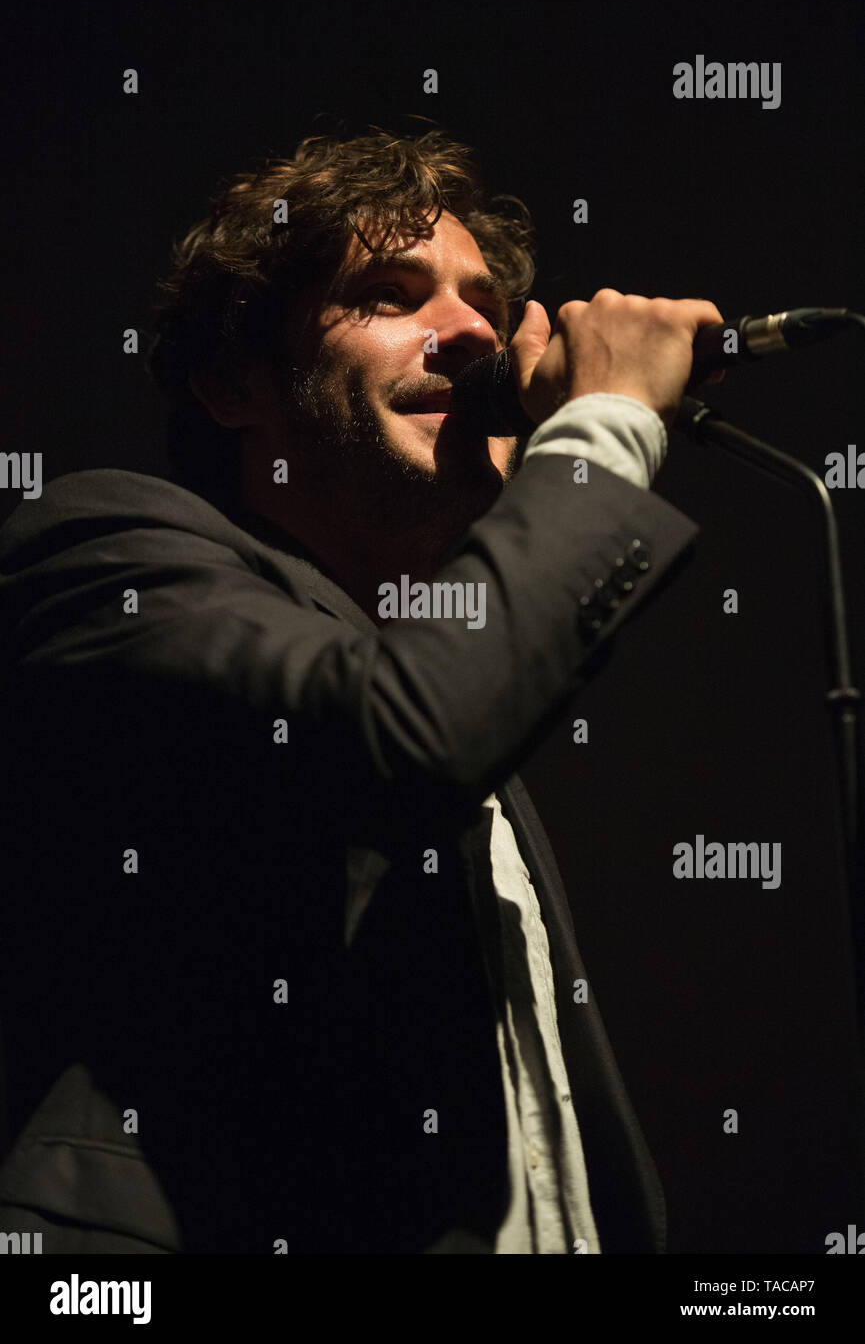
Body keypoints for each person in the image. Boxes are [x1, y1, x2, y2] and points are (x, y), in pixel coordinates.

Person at [0, 128, 722, 1254]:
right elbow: (400, 730)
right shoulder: (104, 548)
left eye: (486, 302)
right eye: (390, 295)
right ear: (236, 381)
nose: (474, 333)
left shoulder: (457, 673)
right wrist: (606, 425)